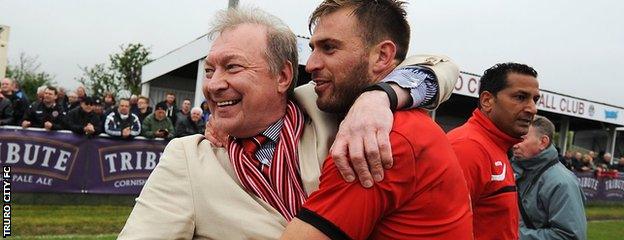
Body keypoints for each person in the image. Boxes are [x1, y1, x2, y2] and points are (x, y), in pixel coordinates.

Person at [119, 6, 457, 239]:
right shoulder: (188, 158)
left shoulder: (329, 109)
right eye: (210, 70)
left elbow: (442, 67)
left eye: (233, 67)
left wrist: (378, 96)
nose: (213, 84)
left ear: (282, 76)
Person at [282, 1, 471, 239]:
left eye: (329, 48)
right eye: (313, 49)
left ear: (382, 56)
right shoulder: (390, 119)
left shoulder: (377, 138)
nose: (310, 65)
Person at [446, 62, 541, 239]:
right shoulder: (468, 147)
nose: (532, 109)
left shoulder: (495, 145)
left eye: (535, 99)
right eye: (521, 97)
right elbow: (442, 229)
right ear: (487, 100)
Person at [511, 116, 587, 239]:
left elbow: (569, 236)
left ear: (543, 142)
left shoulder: (562, 182)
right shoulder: (511, 169)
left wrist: (513, 235)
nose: (515, 144)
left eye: (522, 139)